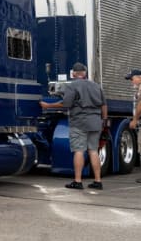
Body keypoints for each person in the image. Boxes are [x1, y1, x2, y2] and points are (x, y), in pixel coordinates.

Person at [40, 62, 108, 190]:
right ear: (85, 73)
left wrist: (48, 105)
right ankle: (98, 181)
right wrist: (104, 120)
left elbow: (66, 104)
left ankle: (78, 181)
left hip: (79, 122)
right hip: (95, 122)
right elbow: (104, 105)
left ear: (73, 74)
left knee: (79, 151)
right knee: (93, 151)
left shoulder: (72, 86)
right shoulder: (96, 86)